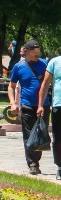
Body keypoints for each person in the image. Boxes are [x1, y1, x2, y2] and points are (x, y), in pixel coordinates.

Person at [9, 39, 49, 175]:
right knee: (28, 134)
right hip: (27, 104)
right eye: (34, 52)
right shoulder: (19, 67)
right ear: (26, 51)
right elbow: (12, 86)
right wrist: (13, 103)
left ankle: (36, 159)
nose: (37, 55)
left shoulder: (45, 64)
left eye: (38, 52)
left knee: (41, 133)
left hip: (44, 104)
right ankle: (32, 163)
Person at [37, 45, 61, 180]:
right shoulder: (54, 62)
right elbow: (45, 84)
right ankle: (60, 166)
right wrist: (40, 105)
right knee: (58, 138)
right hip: (59, 105)